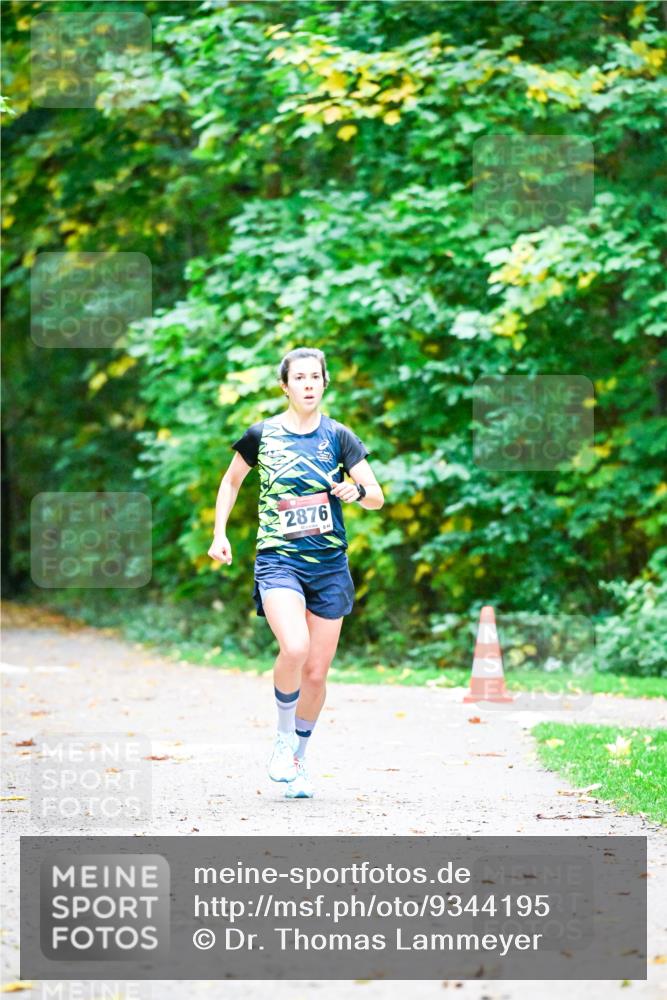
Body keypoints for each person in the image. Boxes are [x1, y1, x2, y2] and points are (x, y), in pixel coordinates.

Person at [207, 347, 384, 799]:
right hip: (279, 560)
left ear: (325, 383)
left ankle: (299, 759)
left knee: (317, 674)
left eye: (315, 377)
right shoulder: (261, 435)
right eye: (299, 377)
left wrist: (356, 491)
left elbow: (376, 496)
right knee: (295, 647)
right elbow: (231, 481)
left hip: (329, 566)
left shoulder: (340, 437)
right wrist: (220, 532)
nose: (308, 384)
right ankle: (283, 738)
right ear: (285, 386)